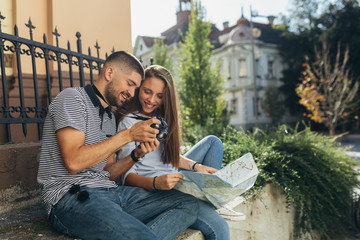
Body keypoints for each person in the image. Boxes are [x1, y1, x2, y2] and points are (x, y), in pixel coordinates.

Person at [37, 51, 200, 240]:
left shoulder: (108, 117)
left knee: (188, 204)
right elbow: (73, 162)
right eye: (130, 84)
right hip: (71, 197)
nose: (132, 93)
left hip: (110, 193)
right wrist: (129, 135)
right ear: (109, 73)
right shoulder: (73, 98)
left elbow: (108, 173)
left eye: (136, 88)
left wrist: (136, 155)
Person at [116, 65, 244, 240]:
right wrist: (156, 182)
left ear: (167, 97)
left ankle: (212, 197)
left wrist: (196, 166)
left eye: (159, 96)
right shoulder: (129, 123)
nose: (151, 99)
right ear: (139, 87)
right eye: (147, 91)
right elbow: (126, 177)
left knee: (213, 142)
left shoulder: (162, 117)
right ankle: (209, 204)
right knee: (220, 228)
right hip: (156, 189)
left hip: (175, 179)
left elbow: (167, 155)